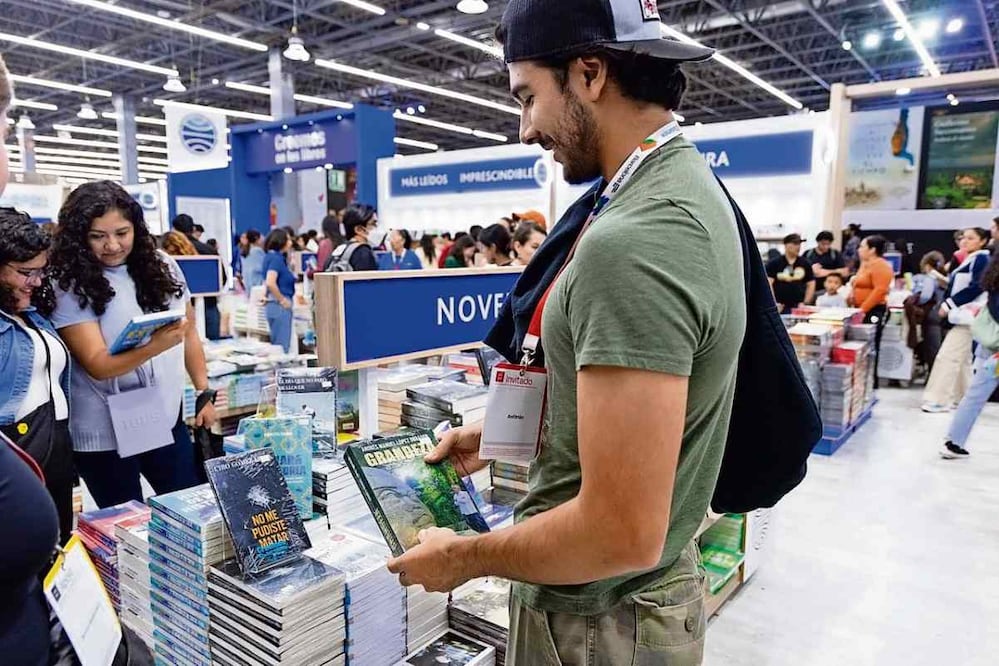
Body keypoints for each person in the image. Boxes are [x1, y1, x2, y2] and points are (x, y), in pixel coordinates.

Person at [385, 4, 745, 664]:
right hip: (621, 606)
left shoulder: (634, 241)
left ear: (589, 73)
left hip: (601, 621)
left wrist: (464, 558)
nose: (524, 130)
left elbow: (620, 532)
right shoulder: (670, 187)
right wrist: (502, 437)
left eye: (527, 98)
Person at [50, 181, 217, 508]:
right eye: (98, 236)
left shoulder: (162, 264)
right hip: (102, 428)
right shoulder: (68, 281)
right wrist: (157, 344)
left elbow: (190, 331)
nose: (112, 245)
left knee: (191, 510)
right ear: (79, 235)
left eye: (122, 233)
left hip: (162, 415)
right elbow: (97, 364)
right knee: (124, 527)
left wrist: (203, 391)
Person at [0, 209, 76, 544]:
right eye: (25, 272)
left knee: (58, 545)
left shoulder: (31, 316)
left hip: (55, 445)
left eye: (40, 271)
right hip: (17, 449)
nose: (37, 281)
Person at [922, 227, 993, 412]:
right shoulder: (971, 259)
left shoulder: (981, 258)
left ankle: (939, 399)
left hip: (967, 316)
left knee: (948, 357)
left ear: (982, 241)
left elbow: (977, 286)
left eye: (971, 238)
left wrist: (949, 304)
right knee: (962, 360)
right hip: (964, 315)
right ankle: (963, 399)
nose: (965, 241)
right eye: (963, 238)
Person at [940, 253, 999, 458]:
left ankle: (954, 442)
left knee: (974, 396)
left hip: (989, 343)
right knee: (975, 395)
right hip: (994, 349)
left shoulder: (992, 275)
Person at [849, 235, 894, 389]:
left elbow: (880, 290)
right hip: (859, 309)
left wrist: (863, 309)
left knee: (871, 345)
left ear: (872, 249)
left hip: (873, 310)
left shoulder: (881, 266)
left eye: (862, 246)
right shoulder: (865, 264)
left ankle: (871, 381)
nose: (859, 249)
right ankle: (860, 379)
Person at [172, 213, 223, 340]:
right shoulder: (209, 250)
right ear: (193, 229)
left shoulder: (170, 252)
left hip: (181, 310)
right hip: (209, 307)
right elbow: (222, 277)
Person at [907, 251, 947, 371]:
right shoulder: (944, 278)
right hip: (943, 314)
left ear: (927, 265)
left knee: (932, 346)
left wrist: (916, 302)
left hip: (932, 315)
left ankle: (933, 374)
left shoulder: (930, 278)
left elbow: (925, 296)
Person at [262, 229, 297, 353]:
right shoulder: (276, 259)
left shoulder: (270, 257)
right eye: (287, 239)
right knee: (282, 348)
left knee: (277, 346)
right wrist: (282, 300)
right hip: (280, 306)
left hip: (273, 305)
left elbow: (266, 282)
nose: (290, 242)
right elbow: (270, 282)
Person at [766, 233, 815, 311]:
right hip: (780, 305)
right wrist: (774, 303)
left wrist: (806, 302)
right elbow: (769, 283)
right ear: (786, 245)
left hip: (799, 305)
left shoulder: (805, 263)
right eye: (795, 243)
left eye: (799, 244)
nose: (798, 247)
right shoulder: (774, 263)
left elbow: (811, 284)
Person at [339, 204, 379, 271]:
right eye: (373, 224)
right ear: (359, 229)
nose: (377, 228)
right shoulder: (363, 253)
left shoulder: (340, 249)